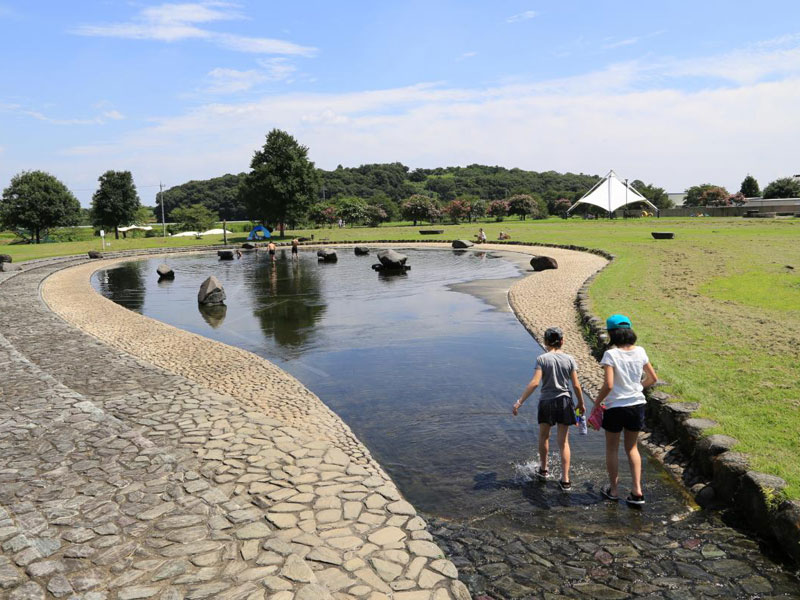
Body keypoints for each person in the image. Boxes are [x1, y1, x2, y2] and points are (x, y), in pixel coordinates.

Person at [594, 314, 658, 507]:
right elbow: (653, 378)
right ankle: (637, 491)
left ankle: (613, 490)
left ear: (613, 334)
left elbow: (609, 385)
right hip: (636, 405)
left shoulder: (611, 355)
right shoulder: (640, 351)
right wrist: (637, 388)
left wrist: (597, 402)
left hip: (615, 407)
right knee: (632, 448)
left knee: (612, 449)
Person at [512, 327, 586, 491]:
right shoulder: (570, 359)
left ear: (545, 342)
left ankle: (543, 470)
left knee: (544, 437)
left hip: (547, 402)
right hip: (565, 401)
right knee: (563, 442)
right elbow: (575, 385)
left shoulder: (542, 359)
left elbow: (535, 383)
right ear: (562, 341)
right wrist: (581, 404)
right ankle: (565, 480)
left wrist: (519, 402)